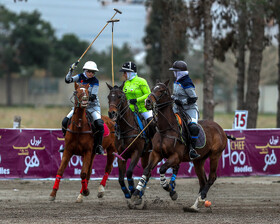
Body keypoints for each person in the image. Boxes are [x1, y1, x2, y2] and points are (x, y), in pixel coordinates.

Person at [60, 61, 105, 155]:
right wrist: (71, 70)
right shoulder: (80, 76)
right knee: (65, 121)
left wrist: (84, 98)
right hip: (79, 106)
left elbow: (93, 96)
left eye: (93, 72)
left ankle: (98, 146)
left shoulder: (95, 81)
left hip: (92, 107)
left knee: (99, 124)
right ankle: (67, 143)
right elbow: (68, 80)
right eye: (89, 71)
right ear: (85, 70)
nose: (91, 74)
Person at [169, 60, 200, 160]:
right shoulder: (176, 81)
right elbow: (176, 95)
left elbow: (193, 98)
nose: (174, 73)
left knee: (193, 128)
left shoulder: (187, 82)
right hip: (177, 109)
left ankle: (192, 150)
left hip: (189, 109)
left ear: (180, 72)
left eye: (175, 71)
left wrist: (182, 102)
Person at [119, 61, 156, 141]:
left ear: (130, 72)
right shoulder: (126, 83)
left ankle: (152, 142)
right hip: (130, 110)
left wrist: (136, 100)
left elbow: (148, 94)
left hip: (143, 109)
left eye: (125, 72)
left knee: (151, 123)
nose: (123, 75)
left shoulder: (141, 81)